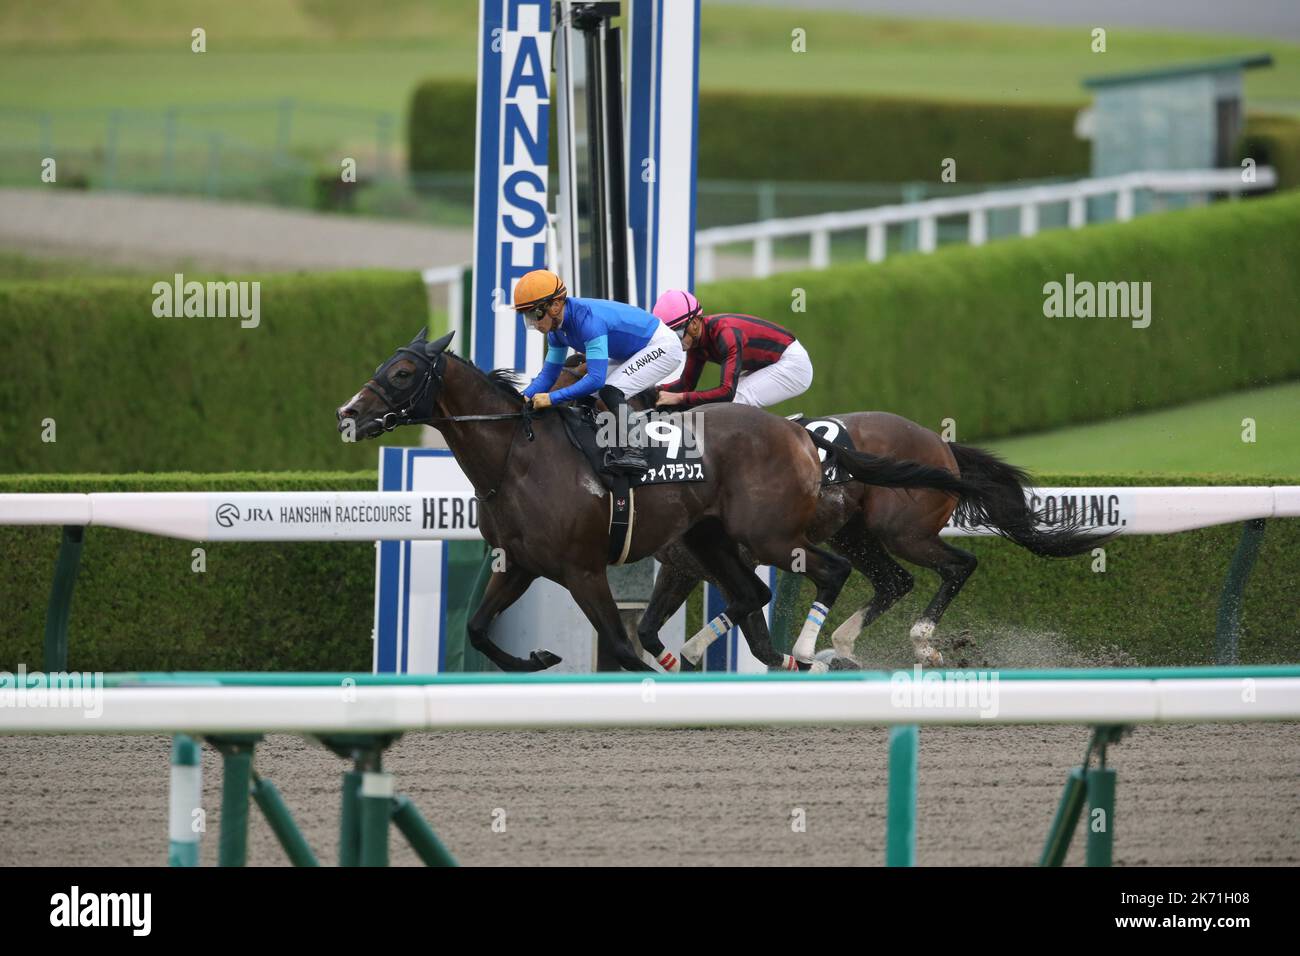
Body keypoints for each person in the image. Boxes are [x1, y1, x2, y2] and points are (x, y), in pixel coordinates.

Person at [514, 269, 683, 473]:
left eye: (535, 314)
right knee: (587, 397)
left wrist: (552, 398)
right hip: (632, 350)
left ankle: (636, 452)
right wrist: (522, 398)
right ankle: (596, 443)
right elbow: (549, 375)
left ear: (556, 306)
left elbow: (595, 379)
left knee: (609, 391)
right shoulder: (556, 332)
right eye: (527, 317)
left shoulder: (588, 321)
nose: (533, 323)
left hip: (662, 346)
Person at [651, 290, 813, 410]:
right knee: (717, 404)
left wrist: (679, 398)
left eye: (677, 334)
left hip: (793, 365)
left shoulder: (725, 333)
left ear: (694, 324)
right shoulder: (696, 342)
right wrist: (651, 391)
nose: (674, 342)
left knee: (735, 400)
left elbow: (726, 392)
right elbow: (686, 385)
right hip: (770, 363)